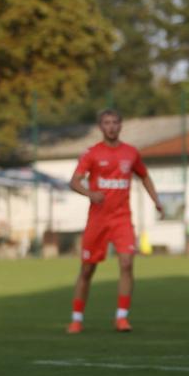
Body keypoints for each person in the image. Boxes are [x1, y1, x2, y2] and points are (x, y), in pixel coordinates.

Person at [66, 108, 163, 334]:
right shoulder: (91, 154)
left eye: (115, 122)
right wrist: (90, 193)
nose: (111, 126)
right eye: (106, 123)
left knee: (127, 263)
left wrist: (156, 200)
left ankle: (121, 318)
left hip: (122, 219)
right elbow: (74, 181)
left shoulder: (130, 153)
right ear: (101, 127)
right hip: (98, 220)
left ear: (121, 125)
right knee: (87, 270)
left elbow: (144, 176)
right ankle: (76, 319)